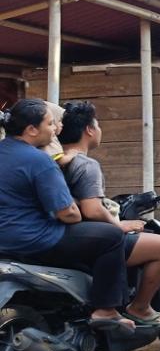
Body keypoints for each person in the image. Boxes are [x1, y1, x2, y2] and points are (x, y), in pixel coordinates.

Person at [0, 99, 134, 332]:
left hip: (5, 242)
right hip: (35, 240)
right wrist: (74, 213)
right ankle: (105, 310)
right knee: (111, 236)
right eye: (51, 124)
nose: (55, 130)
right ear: (32, 130)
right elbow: (68, 213)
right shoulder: (38, 160)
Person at [58, 101, 160, 325]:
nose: (100, 130)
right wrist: (118, 224)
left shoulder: (50, 158)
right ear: (89, 130)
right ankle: (139, 308)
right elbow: (92, 210)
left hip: (58, 236)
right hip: (84, 238)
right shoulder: (85, 164)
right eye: (98, 125)